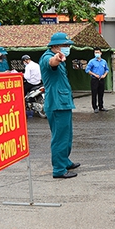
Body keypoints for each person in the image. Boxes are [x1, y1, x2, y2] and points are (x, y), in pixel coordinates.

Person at [39, 32, 80, 179]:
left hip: (63, 103)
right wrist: (57, 58)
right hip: (57, 104)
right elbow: (51, 62)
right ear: (56, 47)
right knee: (59, 137)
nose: (68, 48)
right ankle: (59, 169)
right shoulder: (47, 56)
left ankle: (65, 161)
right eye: (65, 45)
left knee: (67, 136)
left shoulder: (59, 56)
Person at [85, 47, 110, 113]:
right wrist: (94, 74)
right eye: (95, 53)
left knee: (101, 93)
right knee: (94, 93)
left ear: (101, 53)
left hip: (101, 79)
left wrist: (104, 75)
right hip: (94, 79)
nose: (97, 54)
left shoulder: (104, 61)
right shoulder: (92, 61)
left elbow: (107, 70)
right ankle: (95, 107)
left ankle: (101, 106)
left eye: (98, 52)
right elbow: (87, 70)